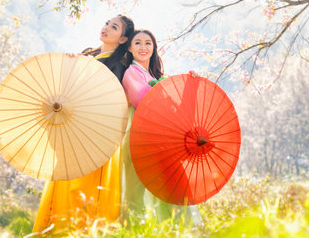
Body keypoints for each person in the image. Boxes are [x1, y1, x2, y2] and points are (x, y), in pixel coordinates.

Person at [32, 15, 135, 233]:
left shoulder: (118, 65)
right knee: (64, 179)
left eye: (114, 27)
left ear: (123, 38)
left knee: (84, 186)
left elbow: (106, 98)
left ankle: (81, 231)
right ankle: (55, 229)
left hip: (94, 133)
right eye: (106, 23)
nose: (106, 27)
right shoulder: (87, 53)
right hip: (71, 127)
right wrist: (70, 66)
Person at [120, 29, 202, 225]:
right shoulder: (131, 73)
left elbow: (176, 111)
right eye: (137, 43)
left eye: (148, 43)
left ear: (154, 48)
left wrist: (190, 87)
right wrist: (164, 89)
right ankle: (133, 231)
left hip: (161, 142)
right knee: (134, 194)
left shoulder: (159, 76)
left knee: (173, 190)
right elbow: (143, 100)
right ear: (130, 48)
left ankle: (177, 230)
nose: (143, 47)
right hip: (138, 141)